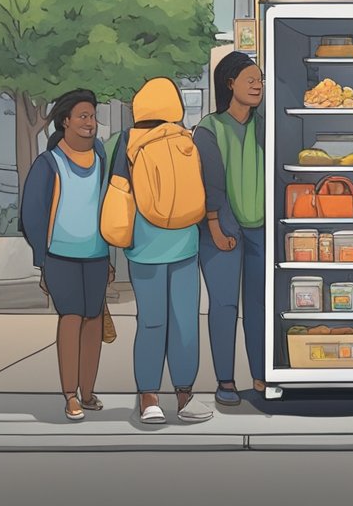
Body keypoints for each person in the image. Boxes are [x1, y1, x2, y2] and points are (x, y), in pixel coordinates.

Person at [115, 77, 212, 425]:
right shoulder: (187, 140)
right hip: (185, 245)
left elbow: (117, 191)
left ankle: (149, 397)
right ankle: (185, 395)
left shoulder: (127, 141)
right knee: (186, 323)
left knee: (152, 323)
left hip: (144, 248)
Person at [20, 89, 112, 421]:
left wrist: (111, 256)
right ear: (66, 121)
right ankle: (69, 394)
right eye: (83, 117)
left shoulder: (102, 156)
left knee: (94, 322)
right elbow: (31, 214)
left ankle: (88, 392)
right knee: (71, 320)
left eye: (92, 116)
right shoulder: (50, 163)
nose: (90, 123)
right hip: (61, 257)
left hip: (98, 255)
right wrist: (41, 261)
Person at [195, 52, 266, 406]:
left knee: (259, 305)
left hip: (261, 227)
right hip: (219, 226)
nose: (257, 86)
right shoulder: (209, 129)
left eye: (260, 80)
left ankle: (261, 374)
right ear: (229, 83)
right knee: (224, 305)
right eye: (250, 79)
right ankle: (225, 380)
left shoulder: (266, 124)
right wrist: (215, 226)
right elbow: (210, 184)